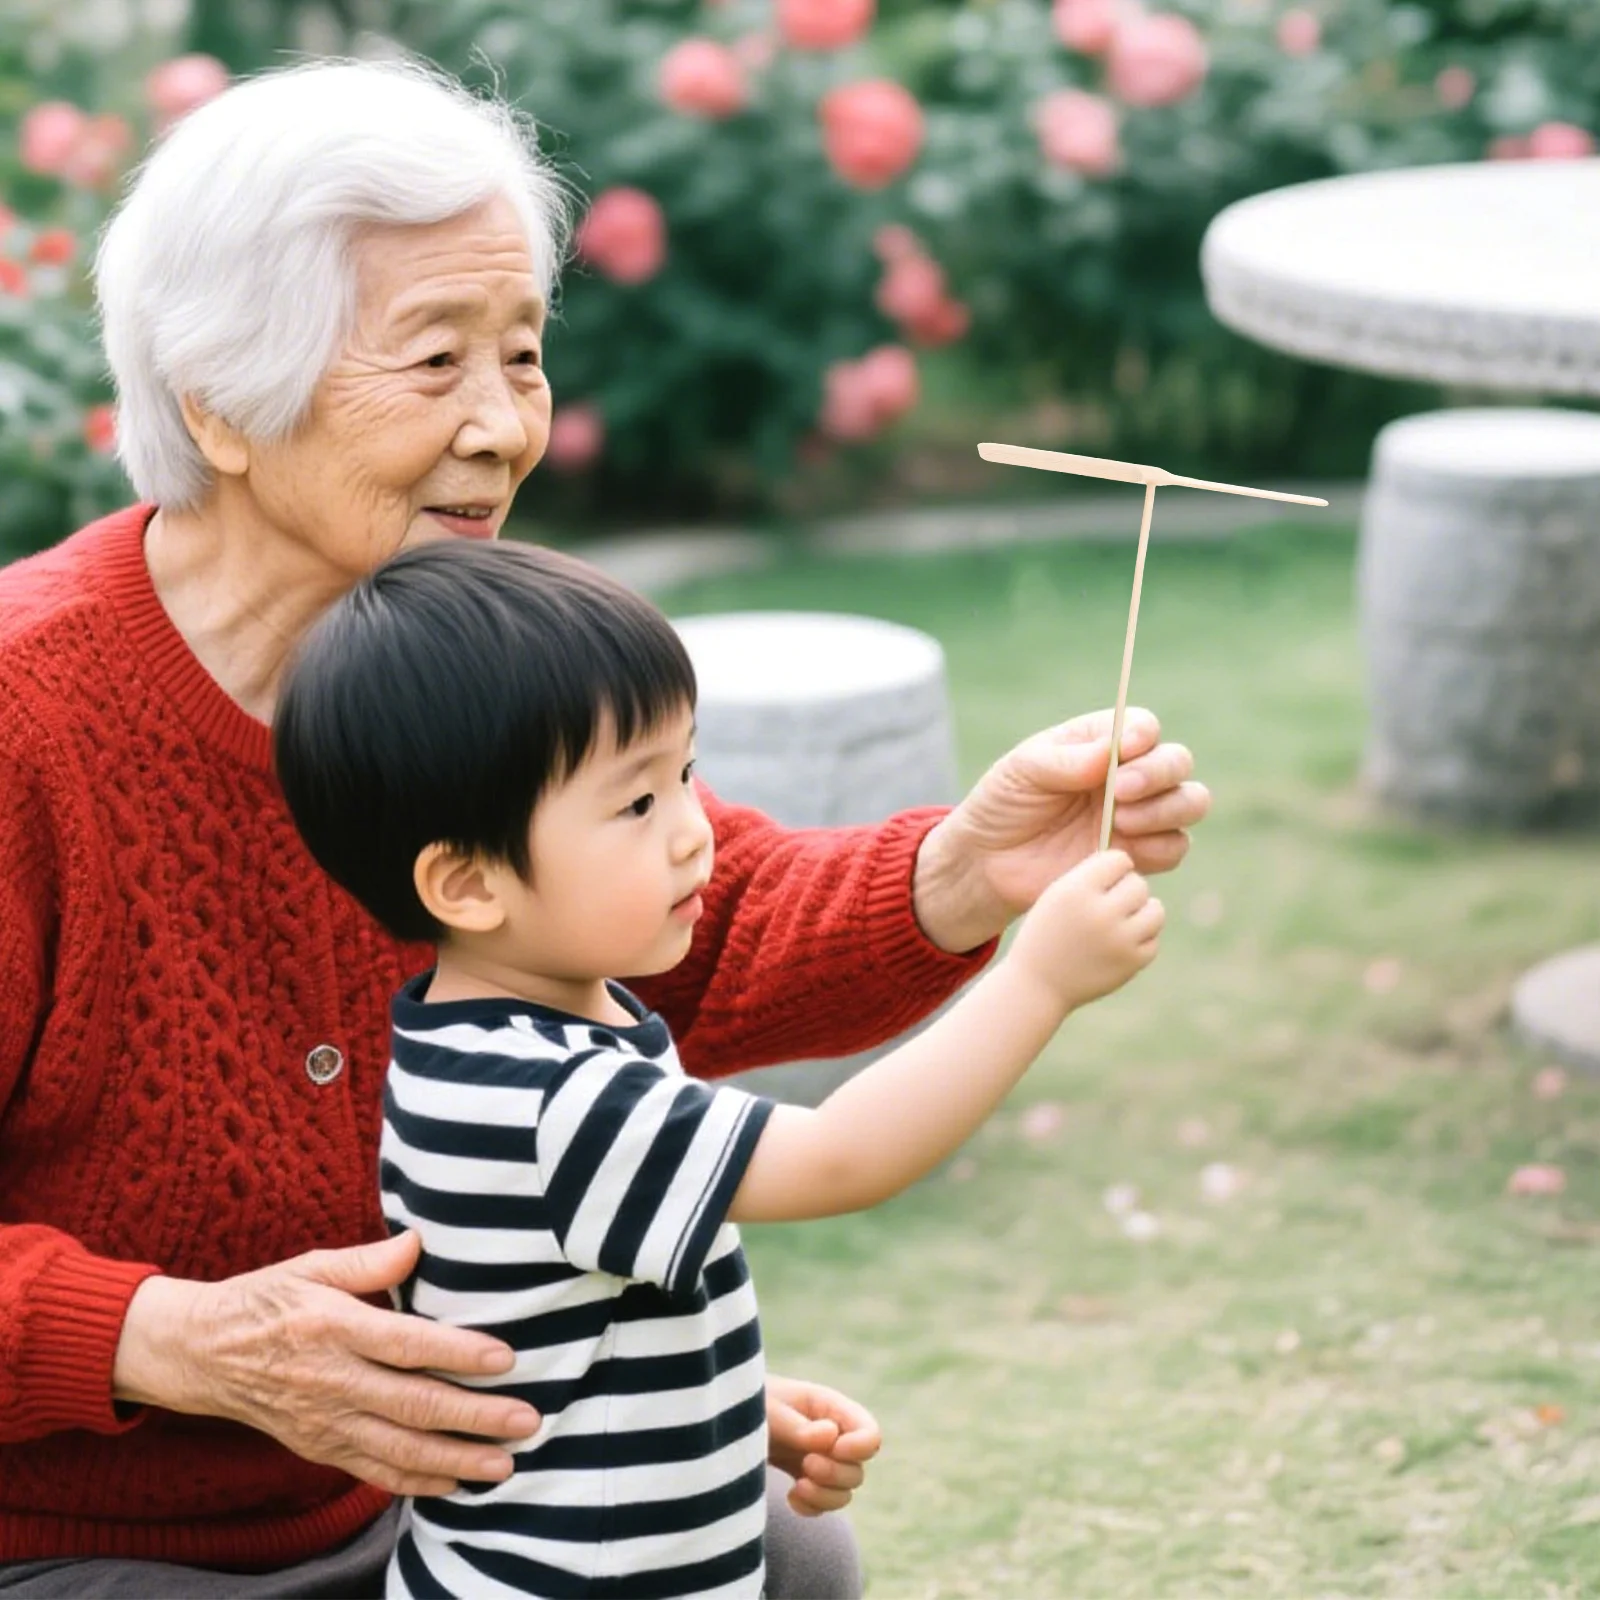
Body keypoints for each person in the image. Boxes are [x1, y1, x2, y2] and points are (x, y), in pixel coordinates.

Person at [0, 54, 1209, 1598]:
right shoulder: (25, 718)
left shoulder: (471, 646)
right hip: (83, 1548)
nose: (506, 426)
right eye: (434, 365)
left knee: (784, 1551)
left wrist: (965, 874)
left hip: (426, 1501)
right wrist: (169, 1341)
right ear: (219, 407)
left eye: (522, 354)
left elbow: (708, 920)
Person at [271, 538, 1165, 1600]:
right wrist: (1041, 981)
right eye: (636, 804)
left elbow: (557, 1333)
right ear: (466, 884)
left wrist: (723, 1400)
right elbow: (842, 1157)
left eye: (686, 773)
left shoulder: (495, 1040)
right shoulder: (555, 1100)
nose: (696, 833)